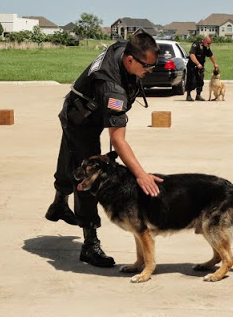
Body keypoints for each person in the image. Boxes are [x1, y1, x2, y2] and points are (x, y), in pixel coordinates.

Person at [45, 31, 163, 268]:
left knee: (69, 160)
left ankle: (58, 203)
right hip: (81, 121)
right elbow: (118, 140)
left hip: (88, 110)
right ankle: (89, 244)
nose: (150, 71)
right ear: (130, 60)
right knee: (89, 174)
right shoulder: (111, 88)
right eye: (147, 67)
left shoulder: (124, 49)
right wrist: (141, 174)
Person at [185, 35, 219, 101]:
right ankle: (188, 95)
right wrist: (197, 63)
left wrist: (215, 63)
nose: (209, 45)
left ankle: (198, 95)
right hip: (192, 66)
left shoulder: (207, 48)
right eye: (208, 43)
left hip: (200, 67)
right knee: (191, 81)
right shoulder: (196, 44)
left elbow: (211, 55)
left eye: (210, 44)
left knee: (200, 81)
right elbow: (192, 54)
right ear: (204, 41)